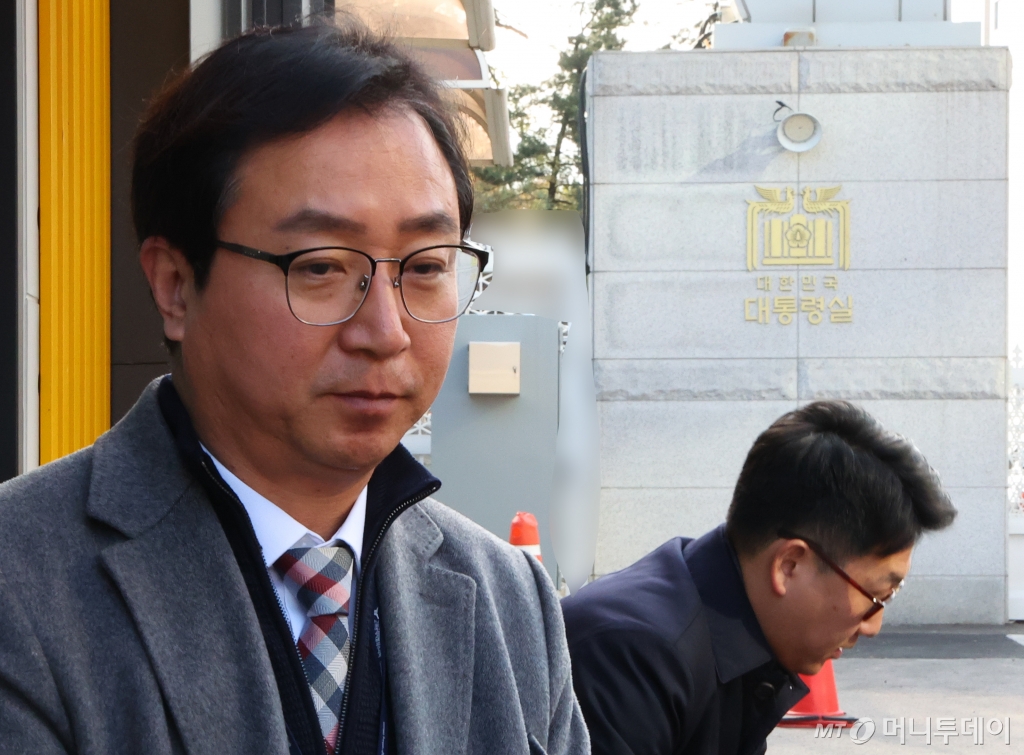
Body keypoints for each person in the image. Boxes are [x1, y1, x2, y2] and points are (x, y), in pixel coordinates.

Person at [0, 22, 588, 755]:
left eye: (426, 266)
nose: (385, 331)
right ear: (175, 284)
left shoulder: (511, 600)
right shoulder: (22, 583)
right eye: (320, 266)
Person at [563, 401, 956, 755]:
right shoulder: (633, 654)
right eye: (875, 595)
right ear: (790, 565)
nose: (873, 626)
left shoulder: (737, 627)